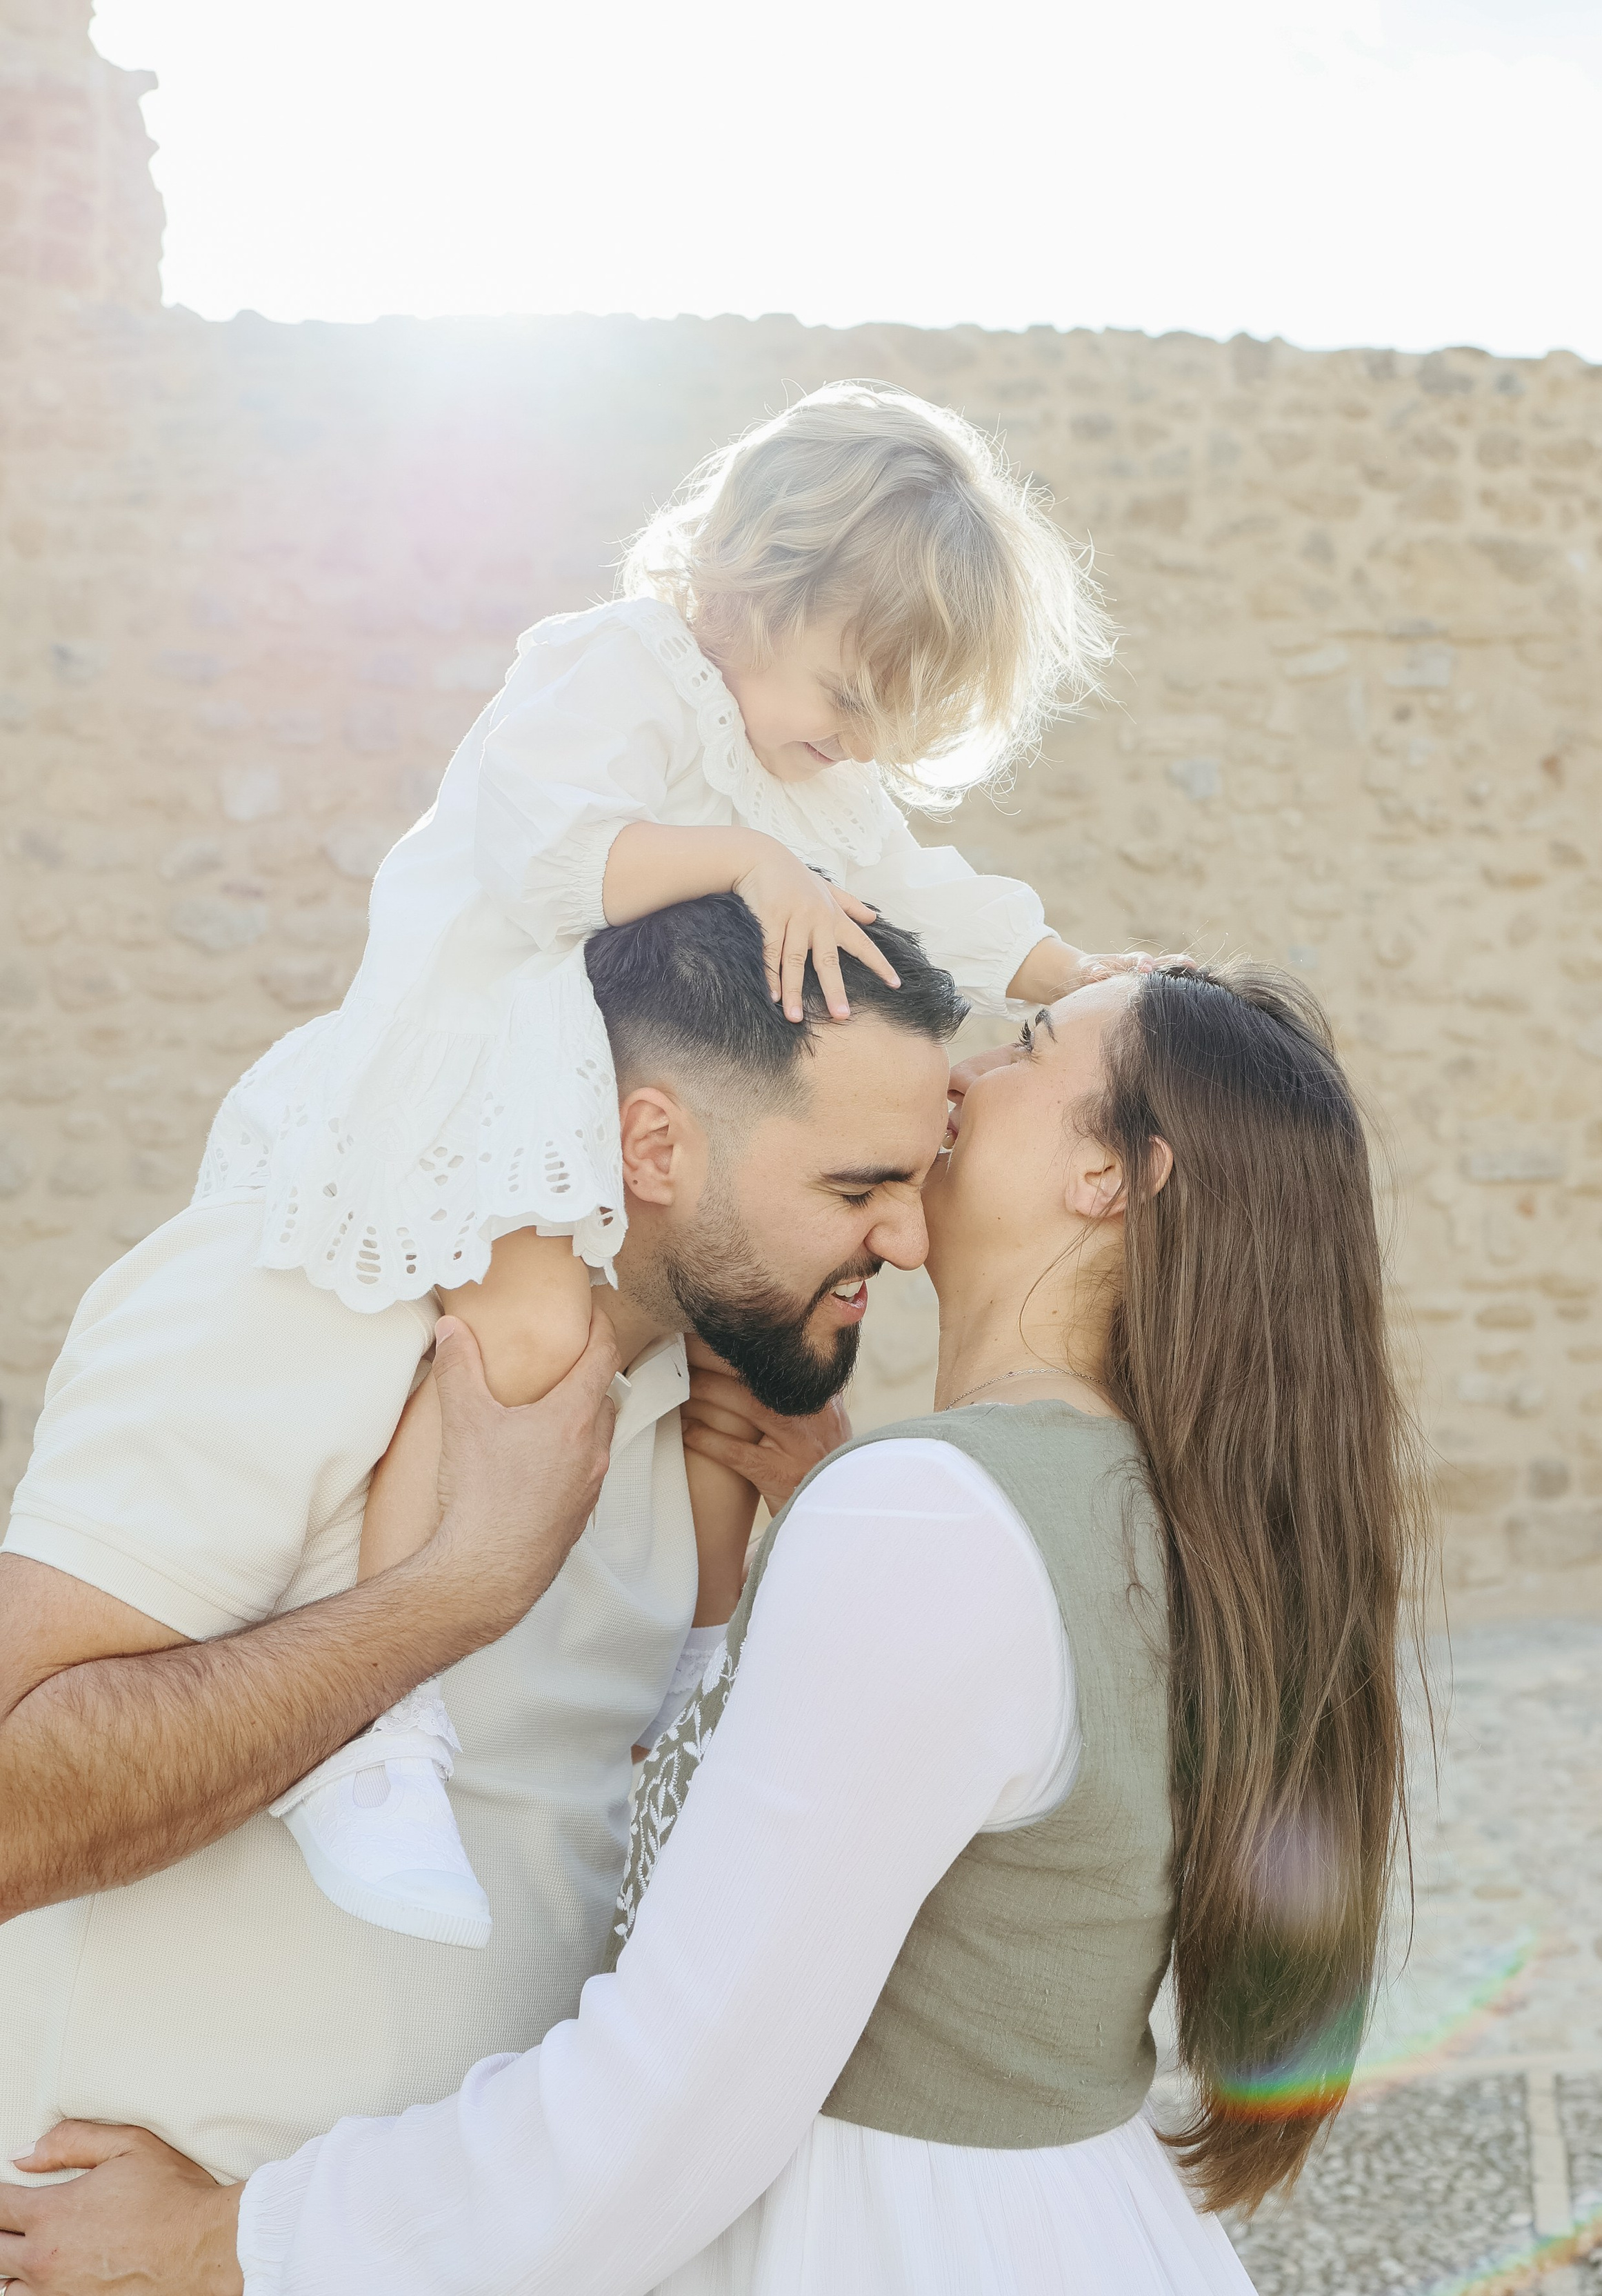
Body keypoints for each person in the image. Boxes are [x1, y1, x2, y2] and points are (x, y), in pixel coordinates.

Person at [3, 962, 1425, 2295]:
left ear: (1109, 1174)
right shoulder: (1115, 1505)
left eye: (1028, 1047)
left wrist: (236, 2242)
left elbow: (673, 2103)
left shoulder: (933, 1523)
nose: (960, 1080)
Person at [184, 378, 1149, 1938]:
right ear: (741, 585)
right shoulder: (617, 673)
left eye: (878, 728)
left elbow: (935, 899)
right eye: (842, 692)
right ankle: (373, 1728)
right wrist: (744, 859)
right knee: (524, 1335)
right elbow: (544, 852)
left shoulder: (818, 771)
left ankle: (693, 1666)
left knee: (750, 1378)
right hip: (494, 1049)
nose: (848, 745)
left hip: (640, 1094)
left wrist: (1075, 979)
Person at [0, 899, 963, 2186]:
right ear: (653, 1145)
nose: (909, 1239)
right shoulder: (299, 1283)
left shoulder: (712, 1411)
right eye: (859, 1188)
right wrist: (454, 1594)